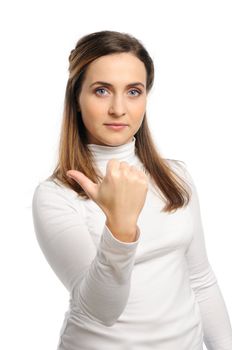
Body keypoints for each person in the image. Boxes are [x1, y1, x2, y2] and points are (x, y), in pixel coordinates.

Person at [32, 30, 232, 350]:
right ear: (77, 99)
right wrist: (121, 227)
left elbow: (201, 281)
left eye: (134, 91)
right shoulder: (57, 195)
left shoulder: (175, 176)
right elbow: (102, 311)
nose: (118, 108)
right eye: (101, 91)